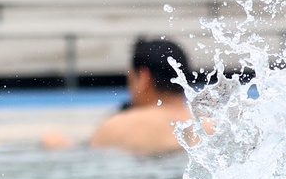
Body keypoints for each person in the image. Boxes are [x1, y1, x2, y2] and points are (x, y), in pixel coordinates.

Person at [42, 38, 197, 155]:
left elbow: (84, 158)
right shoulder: (210, 126)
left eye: (130, 79)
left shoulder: (117, 127)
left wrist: (58, 145)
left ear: (143, 78)